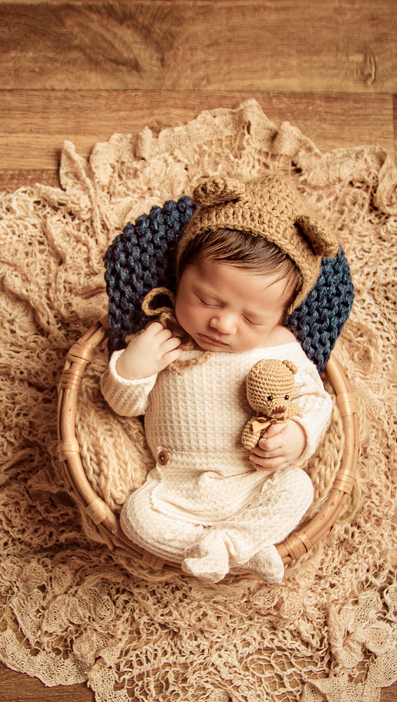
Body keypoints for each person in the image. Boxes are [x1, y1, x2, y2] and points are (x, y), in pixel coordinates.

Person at [100, 174, 339, 583]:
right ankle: (237, 550)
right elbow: (123, 406)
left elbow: (316, 400)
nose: (223, 324)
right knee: (136, 520)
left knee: (298, 487)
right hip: (176, 491)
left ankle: (228, 544)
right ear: (179, 279)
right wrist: (131, 368)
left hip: (252, 484)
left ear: (280, 317)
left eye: (252, 319)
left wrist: (299, 435)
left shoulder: (280, 346)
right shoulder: (165, 336)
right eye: (207, 299)